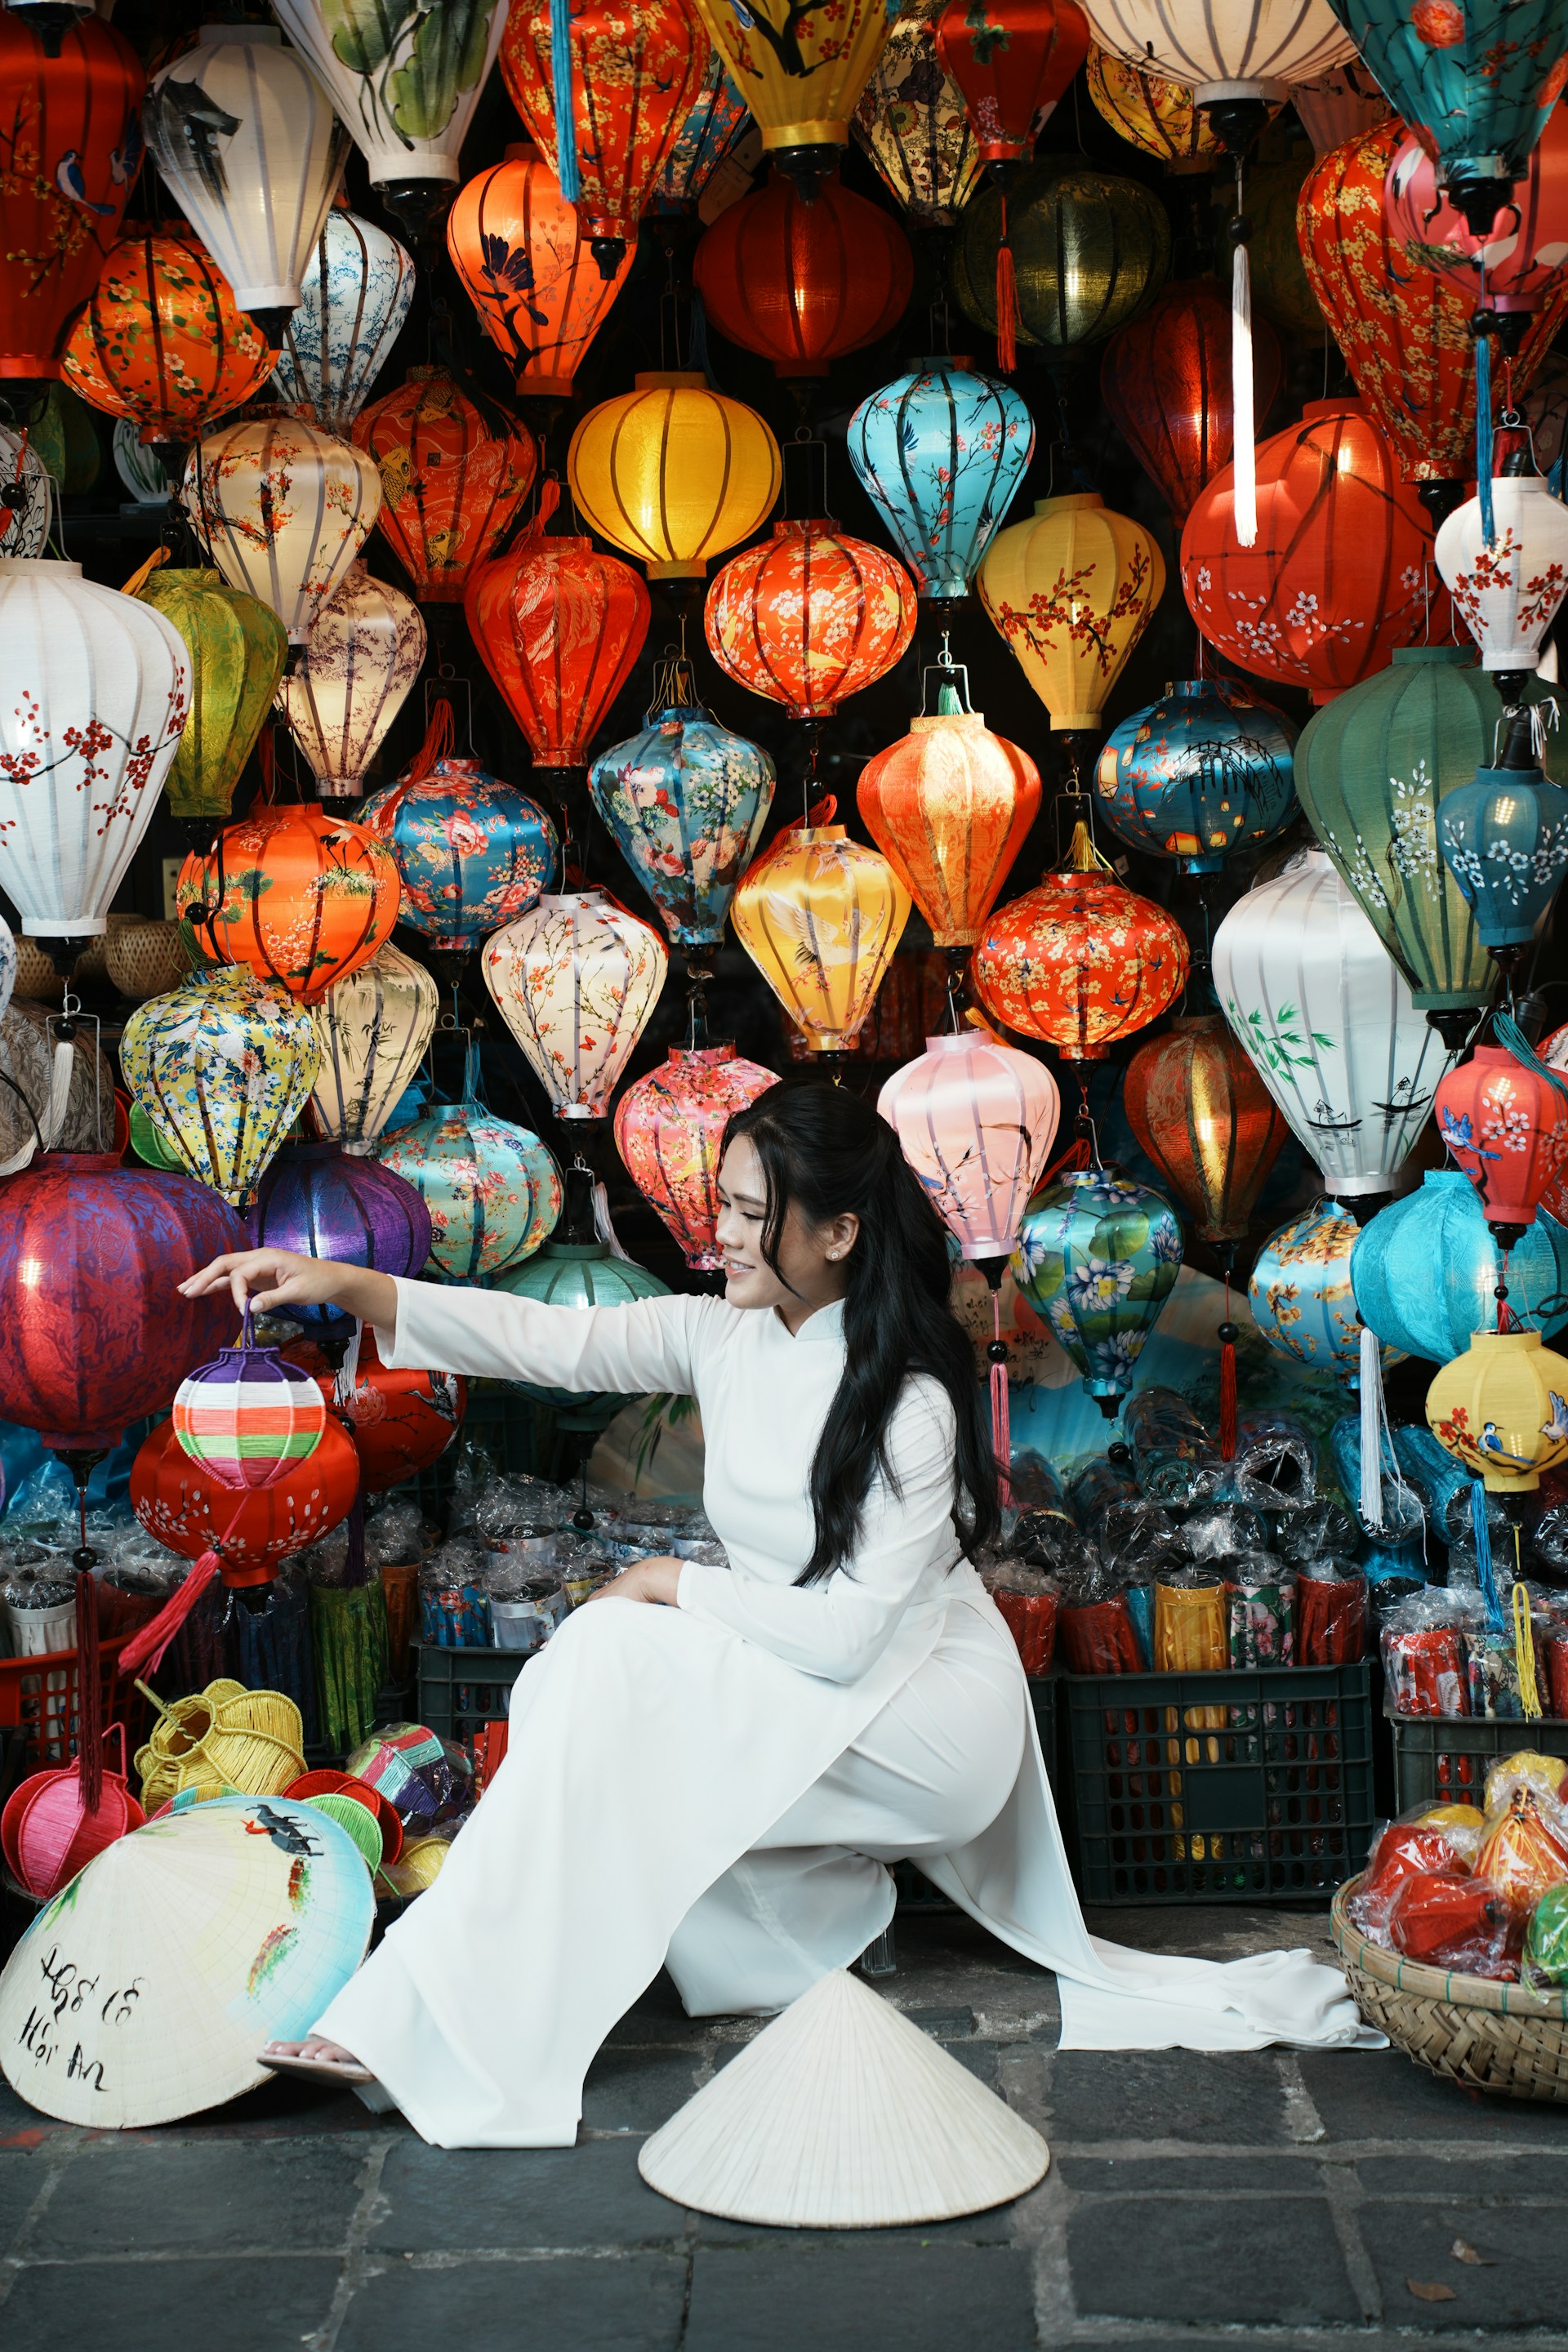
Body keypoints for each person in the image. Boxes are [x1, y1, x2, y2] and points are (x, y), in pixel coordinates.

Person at [178, 1080, 1369, 2149]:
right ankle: (713, 1946)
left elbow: (848, 1636)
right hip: (801, 1676)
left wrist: (674, 1584)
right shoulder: (722, 1334)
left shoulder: (908, 1404)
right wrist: (353, 1287)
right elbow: (550, 1338)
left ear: (839, 1232)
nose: (721, 1235)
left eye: (752, 1214)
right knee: (585, 1674)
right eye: (726, 1206)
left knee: (607, 1660)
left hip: (921, 1719)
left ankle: (419, 2012)